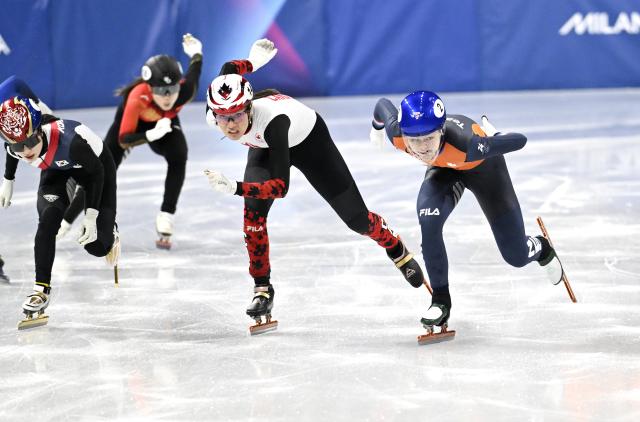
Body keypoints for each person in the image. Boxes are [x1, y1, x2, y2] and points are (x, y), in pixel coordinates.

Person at [204, 39, 426, 332]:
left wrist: (235, 187)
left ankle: (395, 247)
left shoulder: (274, 122)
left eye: (236, 116)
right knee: (253, 219)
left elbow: (280, 187)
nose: (230, 125)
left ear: (249, 108)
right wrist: (252, 62)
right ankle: (262, 289)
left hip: (309, 142)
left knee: (357, 220)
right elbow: (230, 69)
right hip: (265, 148)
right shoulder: (218, 109)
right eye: (222, 118)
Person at [370, 90, 562, 336]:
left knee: (515, 256)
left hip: (484, 169)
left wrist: (496, 138)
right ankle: (440, 301)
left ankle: (541, 247)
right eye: (413, 141)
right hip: (445, 170)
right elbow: (381, 105)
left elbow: (520, 140)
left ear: (441, 131)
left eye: (428, 139)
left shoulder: (470, 145)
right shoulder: (397, 134)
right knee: (428, 221)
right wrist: (377, 128)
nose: (420, 149)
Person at [58, 34, 204, 249]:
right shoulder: (136, 98)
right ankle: (65, 221)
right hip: (131, 130)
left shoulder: (185, 91)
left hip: (165, 124)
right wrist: (150, 135)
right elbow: (124, 139)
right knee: (100, 172)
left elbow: (195, 69)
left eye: (172, 89)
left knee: (179, 154)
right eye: (160, 91)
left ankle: (166, 214)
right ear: (149, 87)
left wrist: (197, 53)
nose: (167, 97)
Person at [0, 94, 119, 328]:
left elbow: (96, 175)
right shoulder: (18, 143)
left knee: (96, 246)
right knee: (47, 222)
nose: (26, 151)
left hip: (95, 169)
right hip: (55, 171)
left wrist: (92, 215)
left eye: (30, 142)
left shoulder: (72, 142)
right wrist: (8, 179)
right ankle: (40, 289)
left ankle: (111, 232)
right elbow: (12, 151)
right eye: (17, 146)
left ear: (40, 131)